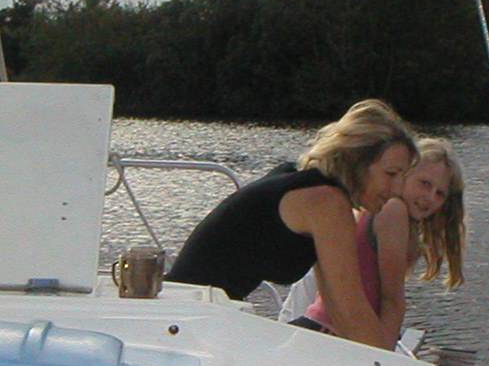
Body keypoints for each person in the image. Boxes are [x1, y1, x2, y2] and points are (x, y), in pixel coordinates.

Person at [165, 99, 416, 349]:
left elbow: (337, 304)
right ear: (357, 162)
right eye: (391, 174)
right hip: (185, 321)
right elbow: (351, 309)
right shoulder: (327, 202)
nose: (397, 190)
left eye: (402, 177)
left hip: (187, 310)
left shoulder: (301, 180)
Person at [291, 137, 466, 344]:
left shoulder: (395, 213)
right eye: (424, 183)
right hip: (329, 333)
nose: (430, 197)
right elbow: (392, 300)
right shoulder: (394, 210)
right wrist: (383, 359)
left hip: (334, 331)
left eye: (440, 193)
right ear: (404, 175)